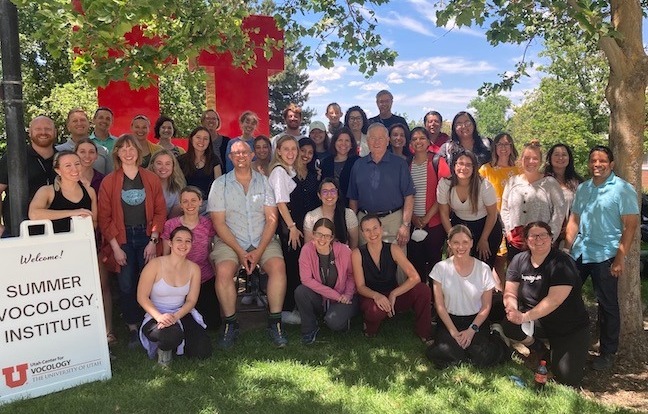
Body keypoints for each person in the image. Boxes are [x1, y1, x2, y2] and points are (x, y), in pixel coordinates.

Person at [565, 145, 640, 371]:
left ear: (612, 164)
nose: (597, 164)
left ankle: (608, 353)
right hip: (580, 251)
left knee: (607, 305)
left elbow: (630, 227)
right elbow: (574, 220)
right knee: (565, 296)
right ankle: (569, 343)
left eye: (602, 161)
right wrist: (567, 251)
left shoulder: (622, 189)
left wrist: (619, 258)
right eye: (593, 160)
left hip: (606, 254)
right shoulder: (584, 188)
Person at [208, 140, 288, 348]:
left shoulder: (264, 182)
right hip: (230, 240)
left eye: (245, 152)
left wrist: (259, 250)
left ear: (252, 155)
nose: (241, 156)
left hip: (262, 238)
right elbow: (218, 222)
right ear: (230, 158)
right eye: (236, 153)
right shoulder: (220, 185)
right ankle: (230, 324)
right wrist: (241, 252)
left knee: (278, 268)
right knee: (224, 271)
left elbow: (272, 219)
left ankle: (275, 322)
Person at [98, 134, 166, 348]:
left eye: (132, 149)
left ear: (138, 152)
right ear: (117, 152)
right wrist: (116, 247)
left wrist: (153, 240)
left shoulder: (150, 178)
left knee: (150, 282)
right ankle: (133, 329)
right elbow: (104, 217)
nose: (128, 152)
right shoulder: (109, 181)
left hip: (146, 237)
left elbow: (160, 211)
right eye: (123, 149)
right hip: (122, 238)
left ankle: (154, 324)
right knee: (127, 285)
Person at [503, 221, 590, 386]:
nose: (538, 239)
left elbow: (554, 301)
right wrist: (513, 310)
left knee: (567, 379)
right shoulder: (519, 260)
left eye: (543, 235)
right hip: (537, 321)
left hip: (568, 327)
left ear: (551, 238)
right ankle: (538, 348)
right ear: (526, 240)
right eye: (533, 236)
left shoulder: (562, 262)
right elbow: (510, 291)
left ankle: (557, 353)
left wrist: (524, 316)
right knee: (509, 324)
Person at [426, 225, 507, 369]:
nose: (460, 247)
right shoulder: (440, 268)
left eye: (464, 242)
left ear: (471, 243)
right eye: (456, 242)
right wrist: (453, 332)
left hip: (475, 321)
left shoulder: (483, 269)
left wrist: (471, 330)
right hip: (449, 320)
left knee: (480, 356)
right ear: (449, 244)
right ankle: (443, 340)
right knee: (451, 355)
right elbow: (439, 306)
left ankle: (496, 336)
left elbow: (486, 306)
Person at [137, 226, 212, 366]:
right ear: (170, 243)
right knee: (169, 336)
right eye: (179, 240)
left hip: (180, 312)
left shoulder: (194, 268)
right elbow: (142, 297)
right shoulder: (155, 265)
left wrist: (176, 316)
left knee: (203, 351)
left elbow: (191, 300)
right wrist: (159, 317)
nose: (183, 245)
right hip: (156, 313)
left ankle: (182, 343)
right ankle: (164, 352)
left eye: (188, 241)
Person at [352, 214, 431, 341]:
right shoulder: (357, 253)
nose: (372, 233)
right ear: (362, 233)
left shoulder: (393, 249)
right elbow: (360, 287)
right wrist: (377, 296)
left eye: (375, 228)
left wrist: (394, 294)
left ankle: (424, 332)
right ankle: (370, 326)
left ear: (381, 228)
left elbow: (415, 277)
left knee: (423, 290)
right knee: (376, 311)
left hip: (392, 294)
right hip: (371, 297)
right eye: (367, 230)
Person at [268, 135, 314, 323]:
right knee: (291, 267)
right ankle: (286, 309)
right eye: (285, 149)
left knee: (296, 265)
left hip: (293, 225)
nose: (290, 153)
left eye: (293, 149)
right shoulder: (279, 171)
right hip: (289, 227)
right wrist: (292, 227)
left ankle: (294, 306)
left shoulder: (289, 170)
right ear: (278, 151)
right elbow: (281, 203)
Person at [348, 123, 415, 250]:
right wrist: (355, 225)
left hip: (393, 221)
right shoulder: (358, 165)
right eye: (373, 138)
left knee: (397, 265)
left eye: (381, 138)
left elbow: (409, 196)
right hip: (366, 221)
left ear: (388, 140)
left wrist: (405, 225)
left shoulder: (400, 164)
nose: (376, 142)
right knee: (367, 265)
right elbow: (353, 199)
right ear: (367, 141)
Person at [162, 186, 220, 330]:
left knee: (212, 324)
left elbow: (211, 249)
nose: (190, 205)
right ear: (180, 204)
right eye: (185, 201)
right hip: (179, 279)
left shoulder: (208, 224)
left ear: (201, 202)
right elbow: (165, 254)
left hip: (204, 277)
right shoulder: (171, 225)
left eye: (194, 200)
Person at [74, 138, 113, 345]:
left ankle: (108, 330)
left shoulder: (102, 180)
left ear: (96, 156)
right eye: (82, 152)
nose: (87, 156)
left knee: (102, 284)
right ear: (75, 154)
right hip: (70, 242)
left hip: (97, 238)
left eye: (91, 152)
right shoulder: (62, 179)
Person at [295, 218, 358, 344]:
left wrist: (347, 295)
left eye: (327, 236)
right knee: (301, 291)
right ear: (313, 234)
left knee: (334, 323)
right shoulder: (307, 250)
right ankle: (309, 329)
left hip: (344, 296)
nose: (322, 239)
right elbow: (306, 279)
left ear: (332, 238)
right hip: (325, 297)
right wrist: (335, 295)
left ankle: (338, 318)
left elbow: (352, 276)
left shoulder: (344, 251)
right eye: (319, 234)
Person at [501, 140, 565, 261]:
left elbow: (559, 212)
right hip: (516, 242)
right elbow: (504, 208)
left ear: (541, 161)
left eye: (535, 158)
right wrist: (508, 231)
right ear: (521, 160)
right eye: (527, 158)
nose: (531, 162)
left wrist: (550, 236)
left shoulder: (550, 184)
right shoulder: (512, 182)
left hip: (541, 243)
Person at [438, 150, 502, 268]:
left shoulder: (484, 185)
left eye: (468, 165)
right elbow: (443, 213)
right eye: (460, 164)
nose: (463, 168)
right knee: (460, 267)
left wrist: (484, 239)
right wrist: (452, 238)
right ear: (454, 165)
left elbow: (492, 214)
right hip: (460, 226)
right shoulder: (445, 184)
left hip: (487, 227)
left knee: (482, 268)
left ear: (474, 168)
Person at [0, 116, 58, 237]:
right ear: (30, 133)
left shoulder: (63, 159)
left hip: (58, 230)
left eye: (48, 129)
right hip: (18, 231)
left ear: (55, 132)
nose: (43, 132)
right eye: (38, 129)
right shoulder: (13, 158)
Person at [407, 127, 451, 282]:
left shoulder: (437, 161)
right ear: (410, 143)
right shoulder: (407, 164)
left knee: (435, 264)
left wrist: (426, 218)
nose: (418, 142)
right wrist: (412, 217)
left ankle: (436, 301)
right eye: (414, 139)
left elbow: (444, 193)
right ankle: (420, 301)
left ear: (428, 141)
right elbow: (404, 194)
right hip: (413, 223)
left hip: (434, 223)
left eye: (422, 138)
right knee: (416, 264)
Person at [478, 132, 520, 289]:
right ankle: (500, 296)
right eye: (500, 144)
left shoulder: (519, 170)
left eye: (507, 144)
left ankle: (514, 294)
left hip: (515, 221)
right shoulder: (485, 170)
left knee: (515, 260)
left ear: (511, 147)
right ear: (494, 147)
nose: (504, 148)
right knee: (498, 259)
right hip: (493, 220)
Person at [28, 150, 97, 233]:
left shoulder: (90, 191)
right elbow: (34, 214)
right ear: (58, 170)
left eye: (77, 164)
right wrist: (73, 213)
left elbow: (94, 222)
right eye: (68, 165)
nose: (74, 169)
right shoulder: (47, 191)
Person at [544, 143, 583, 247]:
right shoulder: (543, 181)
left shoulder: (578, 182)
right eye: (556, 154)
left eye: (564, 154)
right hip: (547, 234)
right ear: (550, 158)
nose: (560, 158)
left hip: (572, 236)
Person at [304, 178, 359, 250]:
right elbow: (308, 248)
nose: (329, 195)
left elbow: (354, 246)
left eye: (333, 191)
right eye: (325, 192)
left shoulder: (348, 215)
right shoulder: (311, 217)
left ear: (338, 194)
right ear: (319, 195)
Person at [177, 126, 222, 214]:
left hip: (208, 205)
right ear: (191, 139)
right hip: (186, 205)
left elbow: (218, 186)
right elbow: (177, 186)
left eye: (205, 139)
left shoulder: (214, 160)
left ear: (209, 142)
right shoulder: (180, 160)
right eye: (198, 137)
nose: (201, 141)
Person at [56, 108, 112, 174]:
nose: (79, 123)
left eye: (82, 120)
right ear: (68, 127)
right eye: (75, 121)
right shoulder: (58, 151)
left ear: (89, 124)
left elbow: (109, 177)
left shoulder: (102, 151)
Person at [320, 127, 359, 208]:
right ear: (334, 142)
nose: (343, 144)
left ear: (352, 144)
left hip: (352, 209)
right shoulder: (325, 162)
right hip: (329, 208)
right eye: (340, 140)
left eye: (347, 141)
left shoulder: (358, 162)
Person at [149, 150, 186, 218]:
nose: (163, 167)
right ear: (152, 165)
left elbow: (172, 219)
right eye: (159, 163)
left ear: (173, 166)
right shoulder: (144, 185)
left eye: (167, 164)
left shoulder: (178, 188)